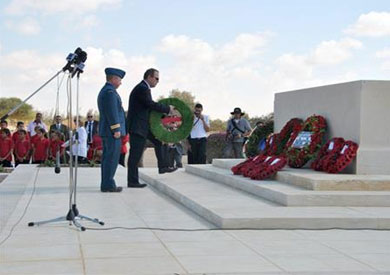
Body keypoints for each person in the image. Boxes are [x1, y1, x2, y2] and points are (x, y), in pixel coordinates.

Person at [127, 68, 176, 188]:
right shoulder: (142, 88)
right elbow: (150, 104)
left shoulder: (144, 88)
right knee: (135, 154)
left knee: (159, 140)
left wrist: (165, 114)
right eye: (156, 78)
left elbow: (148, 108)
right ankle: (132, 181)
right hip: (137, 127)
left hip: (144, 125)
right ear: (149, 77)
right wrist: (167, 109)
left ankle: (163, 166)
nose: (158, 81)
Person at [97, 67, 127, 193]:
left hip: (107, 131)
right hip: (111, 132)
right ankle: (108, 184)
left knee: (107, 158)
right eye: (119, 80)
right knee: (111, 158)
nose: (120, 83)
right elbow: (112, 112)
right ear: (113, 79)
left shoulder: (107, 91)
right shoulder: (110, 92)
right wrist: (116, 129)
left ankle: (106, 183)